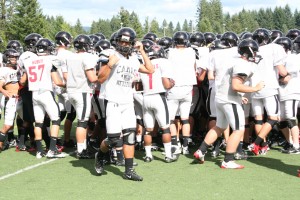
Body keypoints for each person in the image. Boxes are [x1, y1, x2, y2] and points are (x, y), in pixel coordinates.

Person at [194, 39, 265, 169]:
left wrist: (239, 95)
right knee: (238, 129)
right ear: (249, 51)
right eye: (254, 51)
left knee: (219, 126)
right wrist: (255, 88)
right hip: (229, 100)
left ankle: (201, 151)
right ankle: (228, 160)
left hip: (221, 98)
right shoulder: (242, 64)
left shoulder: (233, 61)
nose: (255, 54)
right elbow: (236, 85)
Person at [95, 27, 154, 181]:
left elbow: (150, 69)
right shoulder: (110, 54)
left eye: (128, 42)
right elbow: (99, 79)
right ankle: (100, 154)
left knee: (129, 137)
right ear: (117, 41)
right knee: (114, 139)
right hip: (113, 101)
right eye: (122, 41)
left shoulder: (134, 59)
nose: (124, 44)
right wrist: (109, 65)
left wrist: (142, 51)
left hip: (127, 102)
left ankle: (129, 170)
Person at [20, 38, 66, 158]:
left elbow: (22, 81)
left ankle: (39, 151)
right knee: (55, 119)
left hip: (35, 94)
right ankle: (52, 149)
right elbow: (57, 81)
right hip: (46, 93)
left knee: (38, 123)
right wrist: (68, 85)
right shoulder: (50, 60)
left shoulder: (29, 61)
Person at [248, 28, 289, 155]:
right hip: (269, 86)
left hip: (254, 87)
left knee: (259, 119)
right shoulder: (274, 48)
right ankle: (256, 143)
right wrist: (287, 75)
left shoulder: (252, 49)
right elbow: (281, 71)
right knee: (273, 118)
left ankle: (263, 145)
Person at [63, 34, 99, 158]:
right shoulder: (88, 57)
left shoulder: (71, 57)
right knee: (82, 122)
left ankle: (82, 147)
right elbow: (92, 78)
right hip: (82, 91)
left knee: (81, 120)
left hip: (71, 91)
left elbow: (66, 74)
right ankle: (81, 150)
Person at [139, 44, 176, 163]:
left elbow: (138, 85)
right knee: (165, 128)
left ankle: (148, 155)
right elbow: (166, 84)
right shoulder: (164, 62)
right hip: (158, 96)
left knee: (148, 129)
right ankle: (168, 155)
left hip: (145, 97)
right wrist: (171, 84)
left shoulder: (145, 63)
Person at [0, 49, 22, 152]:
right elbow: (0, 86)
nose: (16, 60)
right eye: (14, 58)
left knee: (27, 121)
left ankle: (24, 142)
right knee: (8, 125)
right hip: (12, 101)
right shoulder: (4, 70)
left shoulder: (16, 68)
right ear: (7, 59)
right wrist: (6, 93)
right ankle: (0, 143)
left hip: (20, 99)